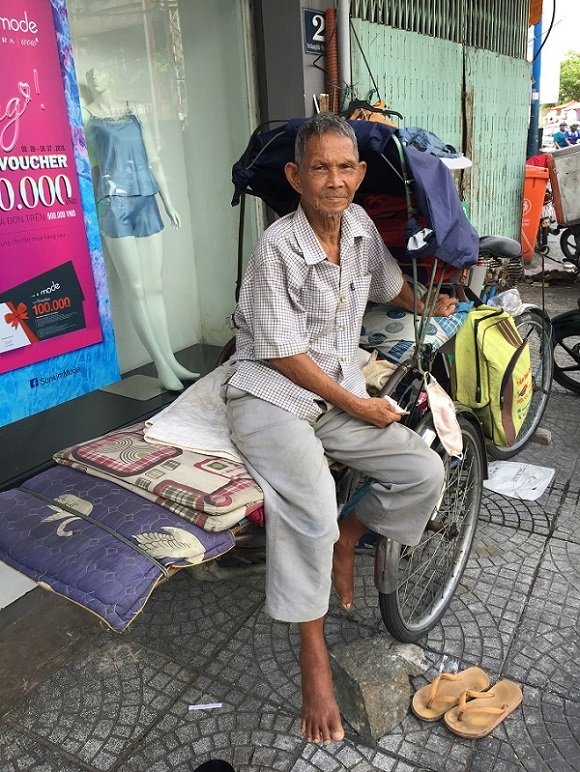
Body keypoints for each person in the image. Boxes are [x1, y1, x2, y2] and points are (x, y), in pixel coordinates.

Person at [224, 114, 456, 744]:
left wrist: (427, 301)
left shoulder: (356, 227)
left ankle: (351, 537)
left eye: (345, 167)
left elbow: (385, 284)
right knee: (311, 510)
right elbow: (278, 352)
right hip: (273, 394)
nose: (335, 181)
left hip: (334, 389)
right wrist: (356, 405)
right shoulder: (278, 247)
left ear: (359, 172)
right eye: (319, 168)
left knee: (424, 470)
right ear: (296, 177)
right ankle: (313, 655)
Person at [84, 67, 198, 392]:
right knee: (135, 288)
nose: (95, 77)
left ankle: (171, 359)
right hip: (113, 203)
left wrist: (169, 202)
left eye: (100, 73)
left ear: (111, 78)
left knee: (154, 287)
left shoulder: (135, 114)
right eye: (89, 75)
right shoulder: (89, 120)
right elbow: (89, 166)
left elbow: (155, 162)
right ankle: (161, 364)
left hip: (146, 199)